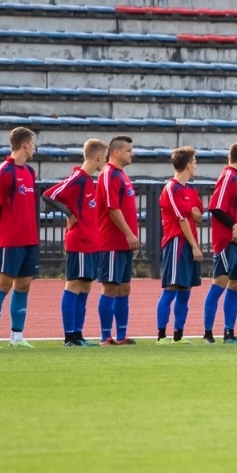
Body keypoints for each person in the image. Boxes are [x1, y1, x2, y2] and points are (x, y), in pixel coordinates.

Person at [42, 138, 108, 347]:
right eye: (104, 157)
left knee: (86, 286)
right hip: (79, 241)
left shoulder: (89, 180)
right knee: (74, 284)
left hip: (92, 241)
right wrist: (69, 213)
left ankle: (78, 334)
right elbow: (48, 194)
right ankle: (69, 336)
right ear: (98, 156)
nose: (104, 162)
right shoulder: (78, 178)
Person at [0, 127, 39, 349]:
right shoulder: (4, 171)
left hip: (29, 239)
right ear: (25, 145)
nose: (34, 148)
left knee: (24, 285)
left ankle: (16, 337)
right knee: (3, 284)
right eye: (32, 144)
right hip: (10, 239)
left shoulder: (30, 172)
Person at [201, 142, 237, 344]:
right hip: (228, 241)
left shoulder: (236, 179)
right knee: (219, 283)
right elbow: (215, 207)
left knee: (236, 284)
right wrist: (234, 226)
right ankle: (207, 333)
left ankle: (229, 332)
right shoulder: (229, 176)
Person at [95, 135, 141, 346]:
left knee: (124, 288)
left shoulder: (121, 175)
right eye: (129, 150)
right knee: (110, 287)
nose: (132, 153)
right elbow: (112, 208)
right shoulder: (109, 174)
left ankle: (121, 335)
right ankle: (106, 336)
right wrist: (129, 233)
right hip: (112, 241)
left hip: (123, 243)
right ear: (116, 152)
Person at [156, 147, 204, 342]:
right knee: (172, 288)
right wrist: (194, 246)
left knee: (186, 289)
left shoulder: (191, 189)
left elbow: (199, 216)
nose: (196, 165)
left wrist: (192, 212)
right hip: (178, 243)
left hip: (189, 242)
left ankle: (178, 335)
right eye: (194, 162)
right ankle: (161, 335)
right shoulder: (171, 188)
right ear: (187, 165)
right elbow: (182, 219)